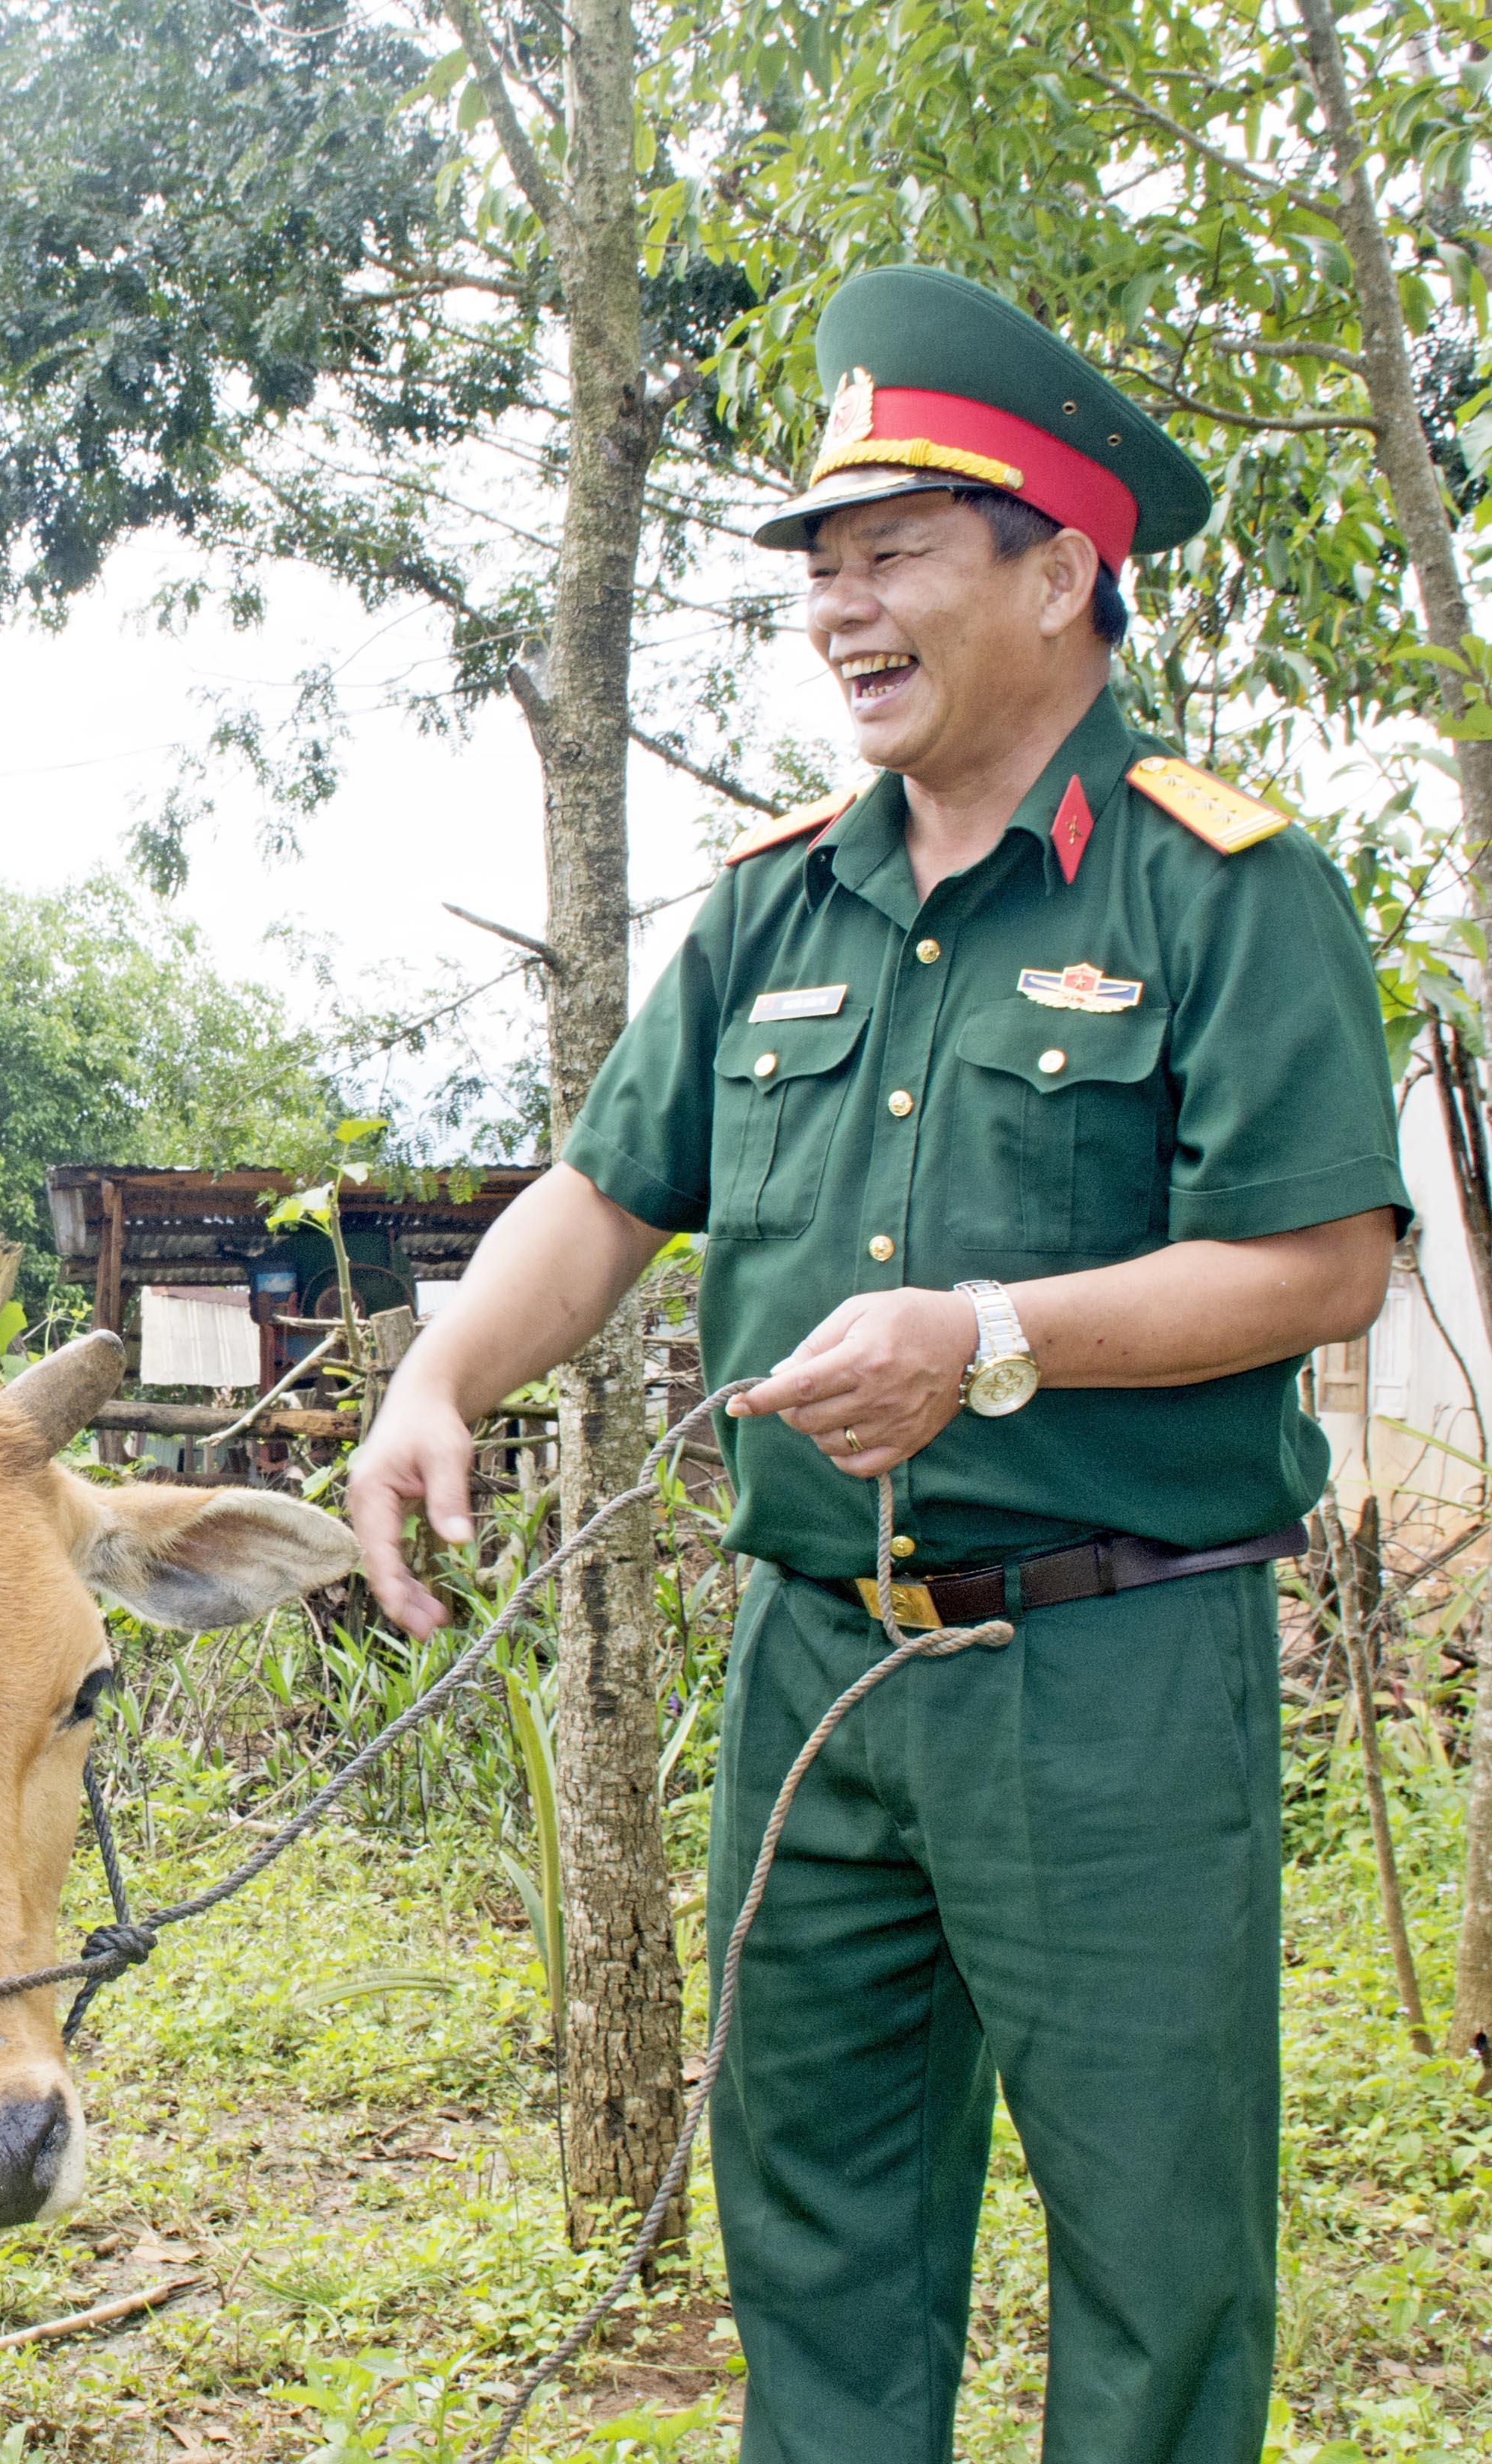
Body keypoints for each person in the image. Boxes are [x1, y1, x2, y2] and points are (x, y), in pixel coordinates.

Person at [348, 266, 1409, 2464]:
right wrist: (438, 1372)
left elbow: (1318, 1261)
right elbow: (604, 1192)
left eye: (895, 552)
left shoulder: (1226, 888)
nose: (841, 609)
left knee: (1150, 2248)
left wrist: (988, 1338)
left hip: (1107, 1673)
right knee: (814, 2238)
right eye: (820, 570)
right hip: (813, 1670)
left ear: (1056, 570)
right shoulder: (766, 905)